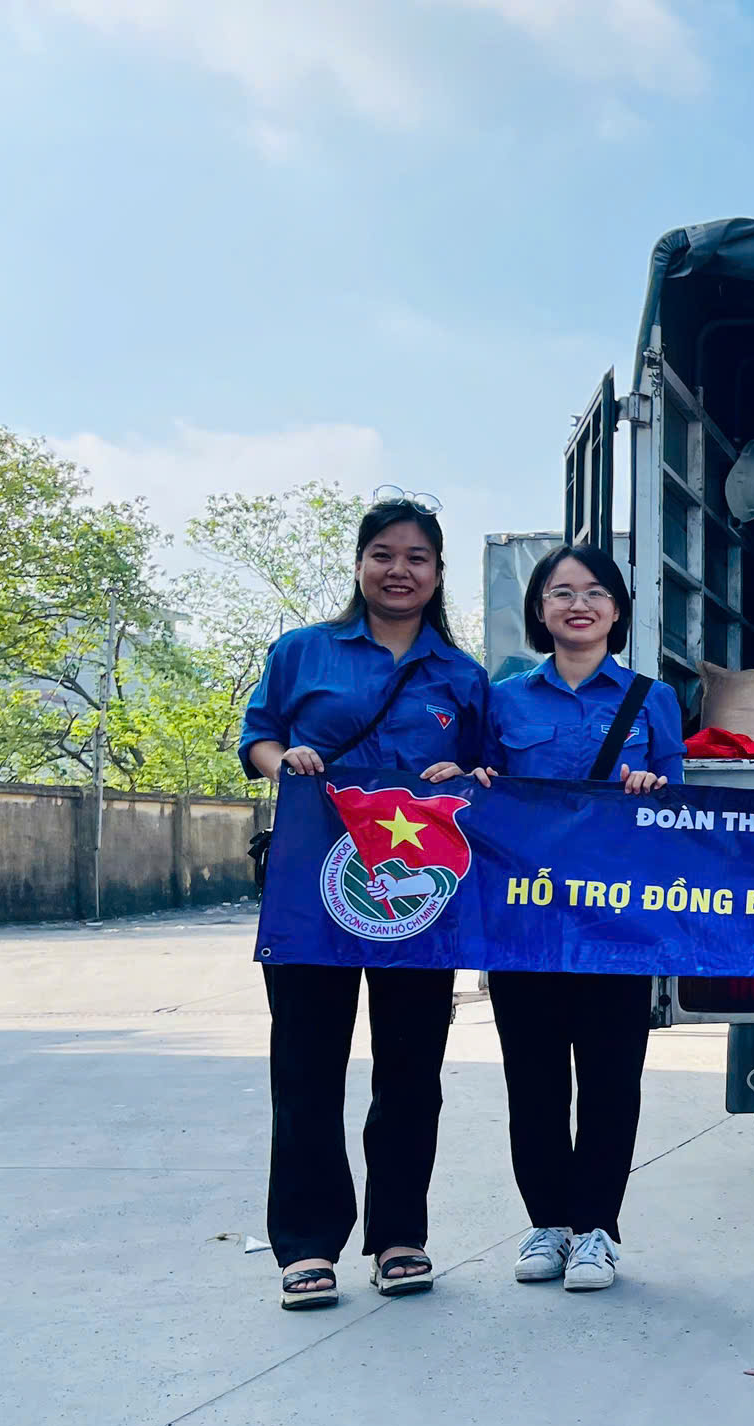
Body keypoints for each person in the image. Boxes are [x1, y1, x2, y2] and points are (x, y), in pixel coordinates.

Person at [239, 493, 489, 1310]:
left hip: (419, 898)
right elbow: (257, 736)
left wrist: (470, 775)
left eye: (417, 557)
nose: (398, 570)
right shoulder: (302, 652)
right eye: (383, 554)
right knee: (305, 1067)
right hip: (312, 888)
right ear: (358, 564)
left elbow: (487, 775)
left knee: (411, 1069)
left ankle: (399, 1236)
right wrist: (285, 761)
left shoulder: (463, 676)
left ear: (438, 573)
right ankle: (306, 1245)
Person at [471, 544, 684, 1293]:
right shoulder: (504, 700)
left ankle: (596, 1230)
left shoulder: (653, 698)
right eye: (561, 592)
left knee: (610, 1078)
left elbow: (677, 809)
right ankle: (547, 1223)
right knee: (532, 1080)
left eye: (594, 592)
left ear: (617, 609)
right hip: (523, 924)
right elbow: (477, 794)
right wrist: (478, 780)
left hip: (616, 924)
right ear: (540, 609)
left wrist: (654, 787)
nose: (578, 604)